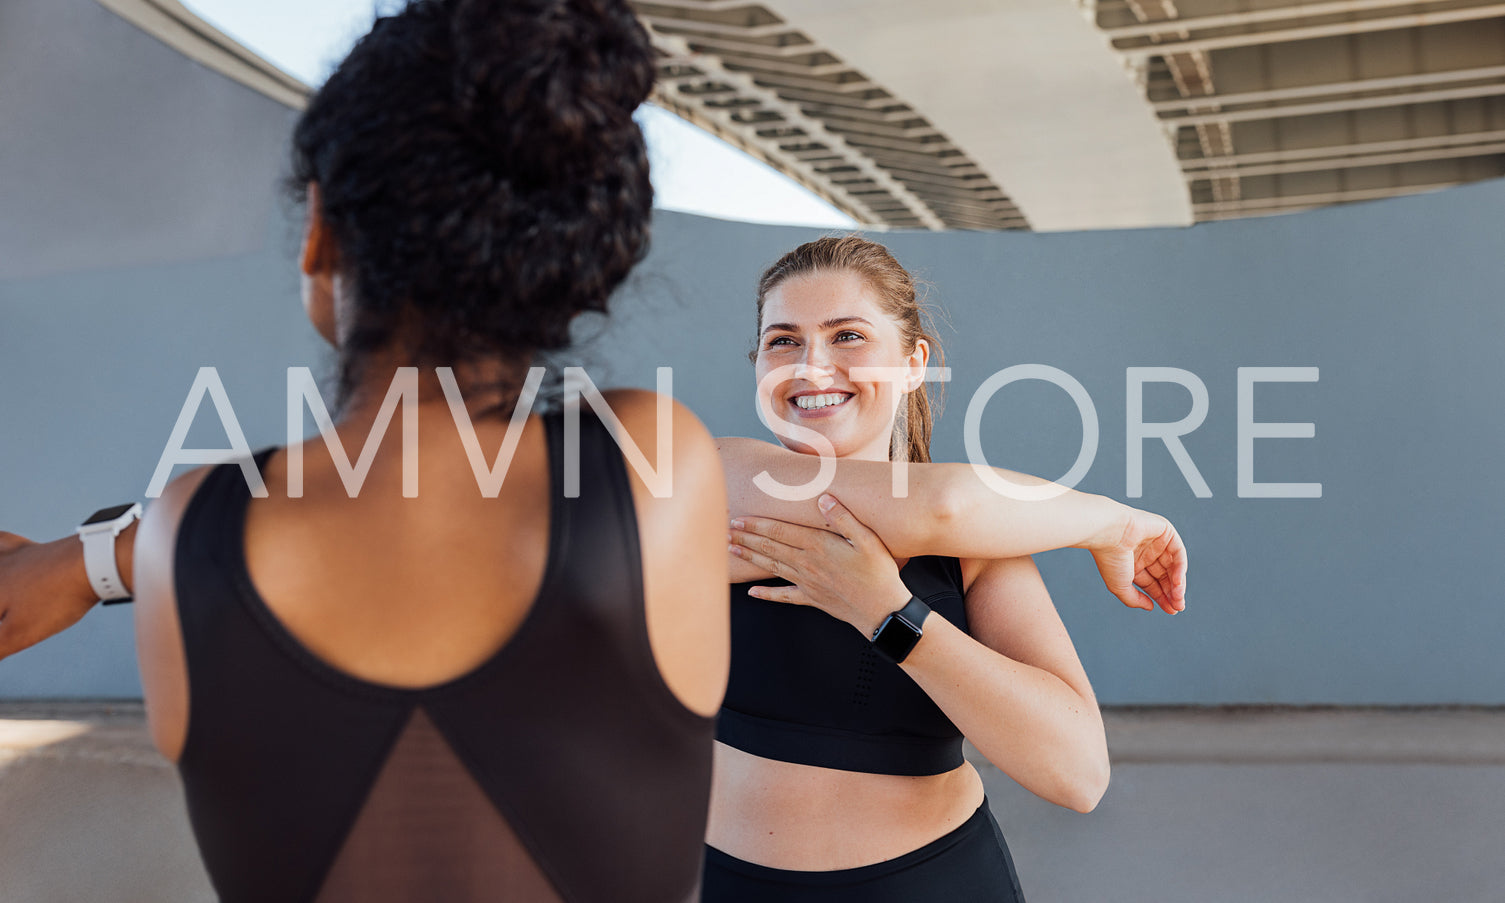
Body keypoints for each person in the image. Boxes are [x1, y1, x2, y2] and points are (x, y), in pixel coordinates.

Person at [8, 1, 734, 901]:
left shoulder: (192, 531)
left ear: (320, 232)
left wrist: (80, 562)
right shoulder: (654, 461)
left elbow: (346, 506)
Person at [693, 234, 1183, 901]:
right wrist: (1115, 523)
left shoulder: (979, 546)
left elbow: (1077, 773)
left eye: (847, 336)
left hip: (933, 882)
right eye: (782, 340)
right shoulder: (724, 474)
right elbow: (942, 504)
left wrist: (888, 615)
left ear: (913, 361)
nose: (810, 367)